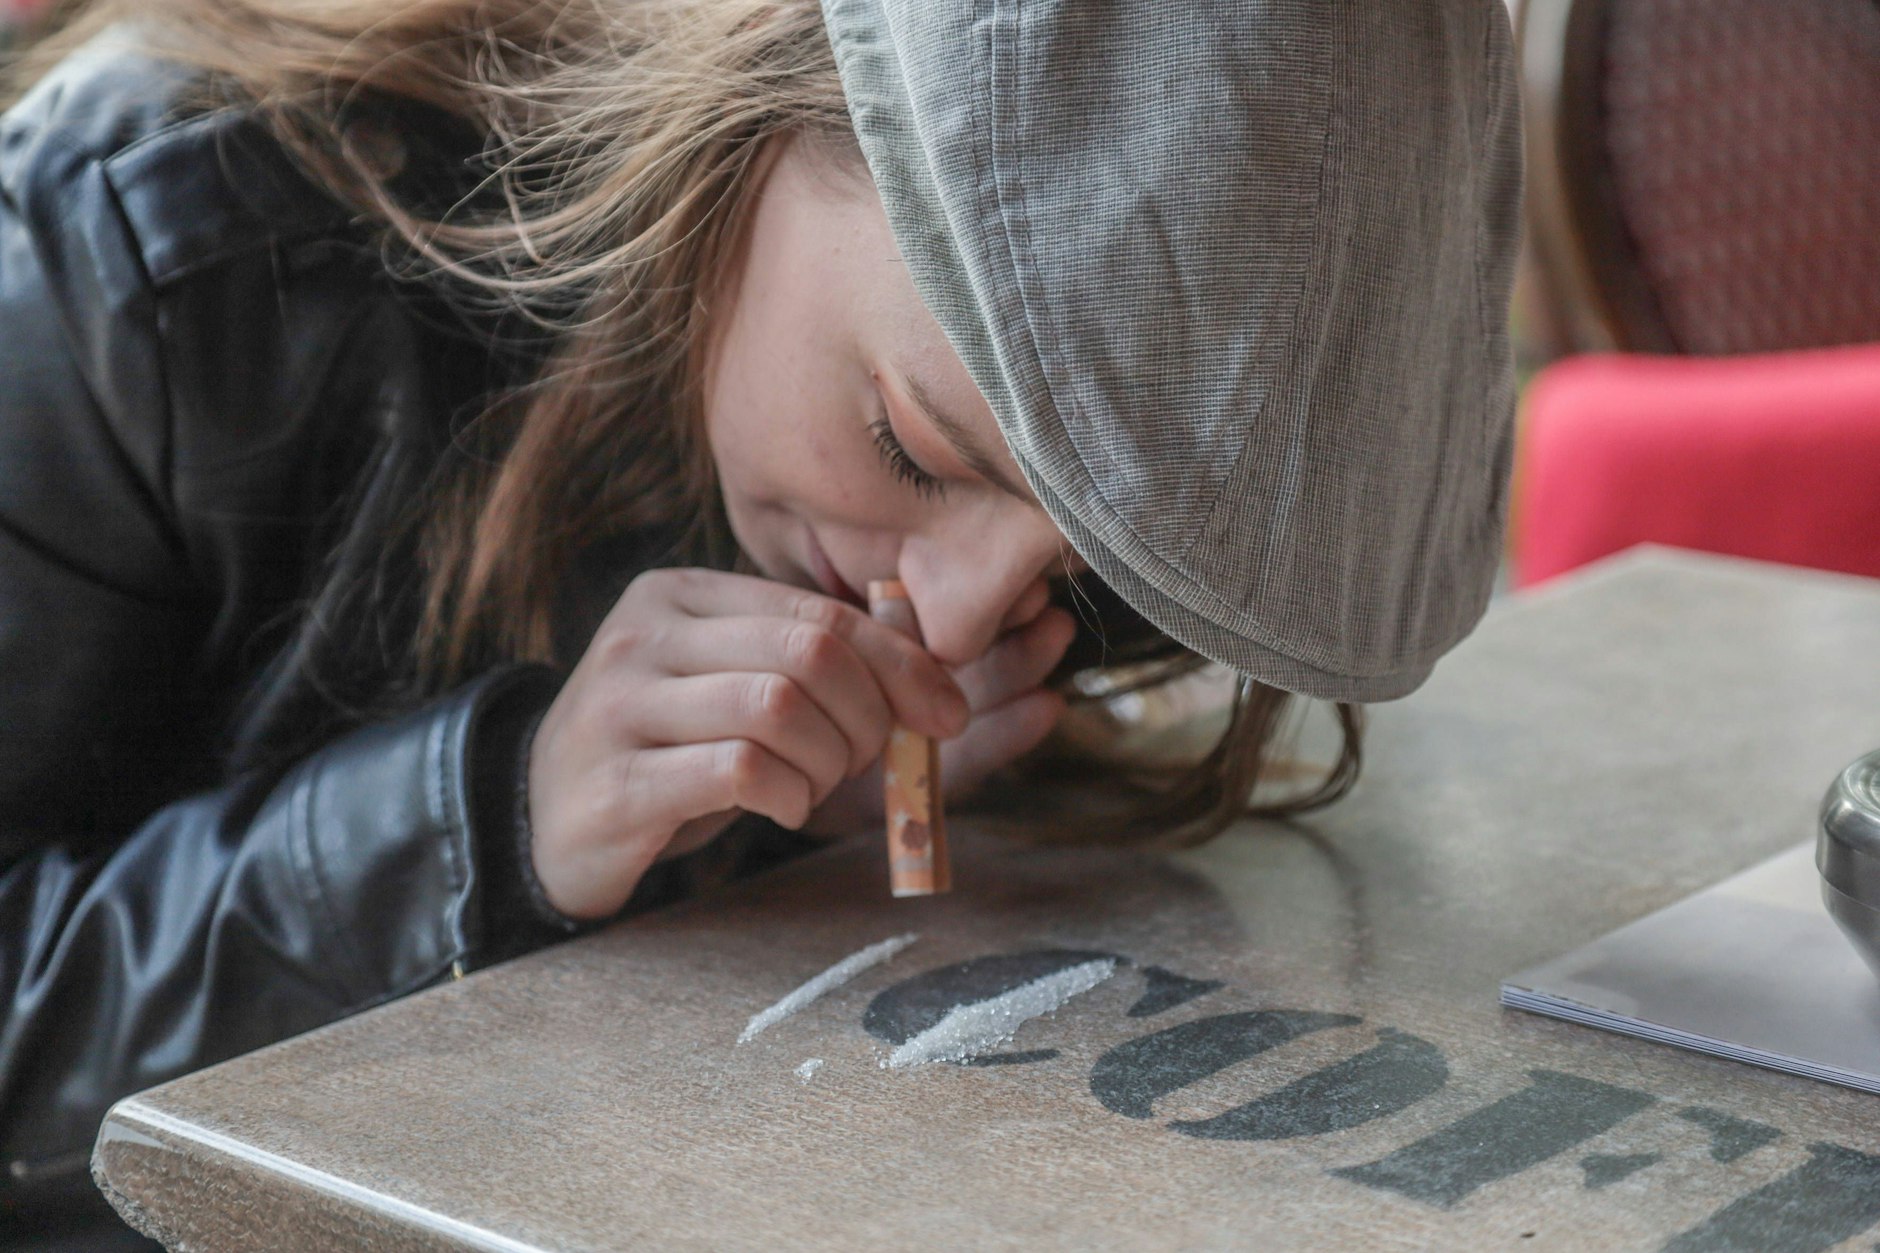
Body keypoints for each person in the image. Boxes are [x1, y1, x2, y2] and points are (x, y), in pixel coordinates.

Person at [0, 0, 1520, 1242]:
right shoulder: (150, 238)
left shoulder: (965, 578)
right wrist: (493, 818)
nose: (960, 616)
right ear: (755, 113)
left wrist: (773, 832)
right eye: (913, 448)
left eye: (1083, 572)